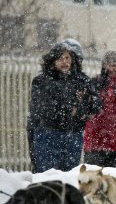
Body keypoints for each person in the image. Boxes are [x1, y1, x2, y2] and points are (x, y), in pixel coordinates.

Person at [28, 41, 101, 172]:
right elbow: (42, 108)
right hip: (48, 134)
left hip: (73, 135)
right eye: (60, 58)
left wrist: (80, 109)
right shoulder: (41, 81)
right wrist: (70, 109)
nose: (64, 62)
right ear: (52, 61)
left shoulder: (82, 80)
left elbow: (95, 103)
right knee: (48, 176)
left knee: (70, 177)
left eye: (67, 58)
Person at [83, 51, 116, 168]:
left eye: (114, 65)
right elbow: (87, 107)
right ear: (103, 66)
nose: (111, 68)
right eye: (108, 65)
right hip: (96, 141)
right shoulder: (94, 83)